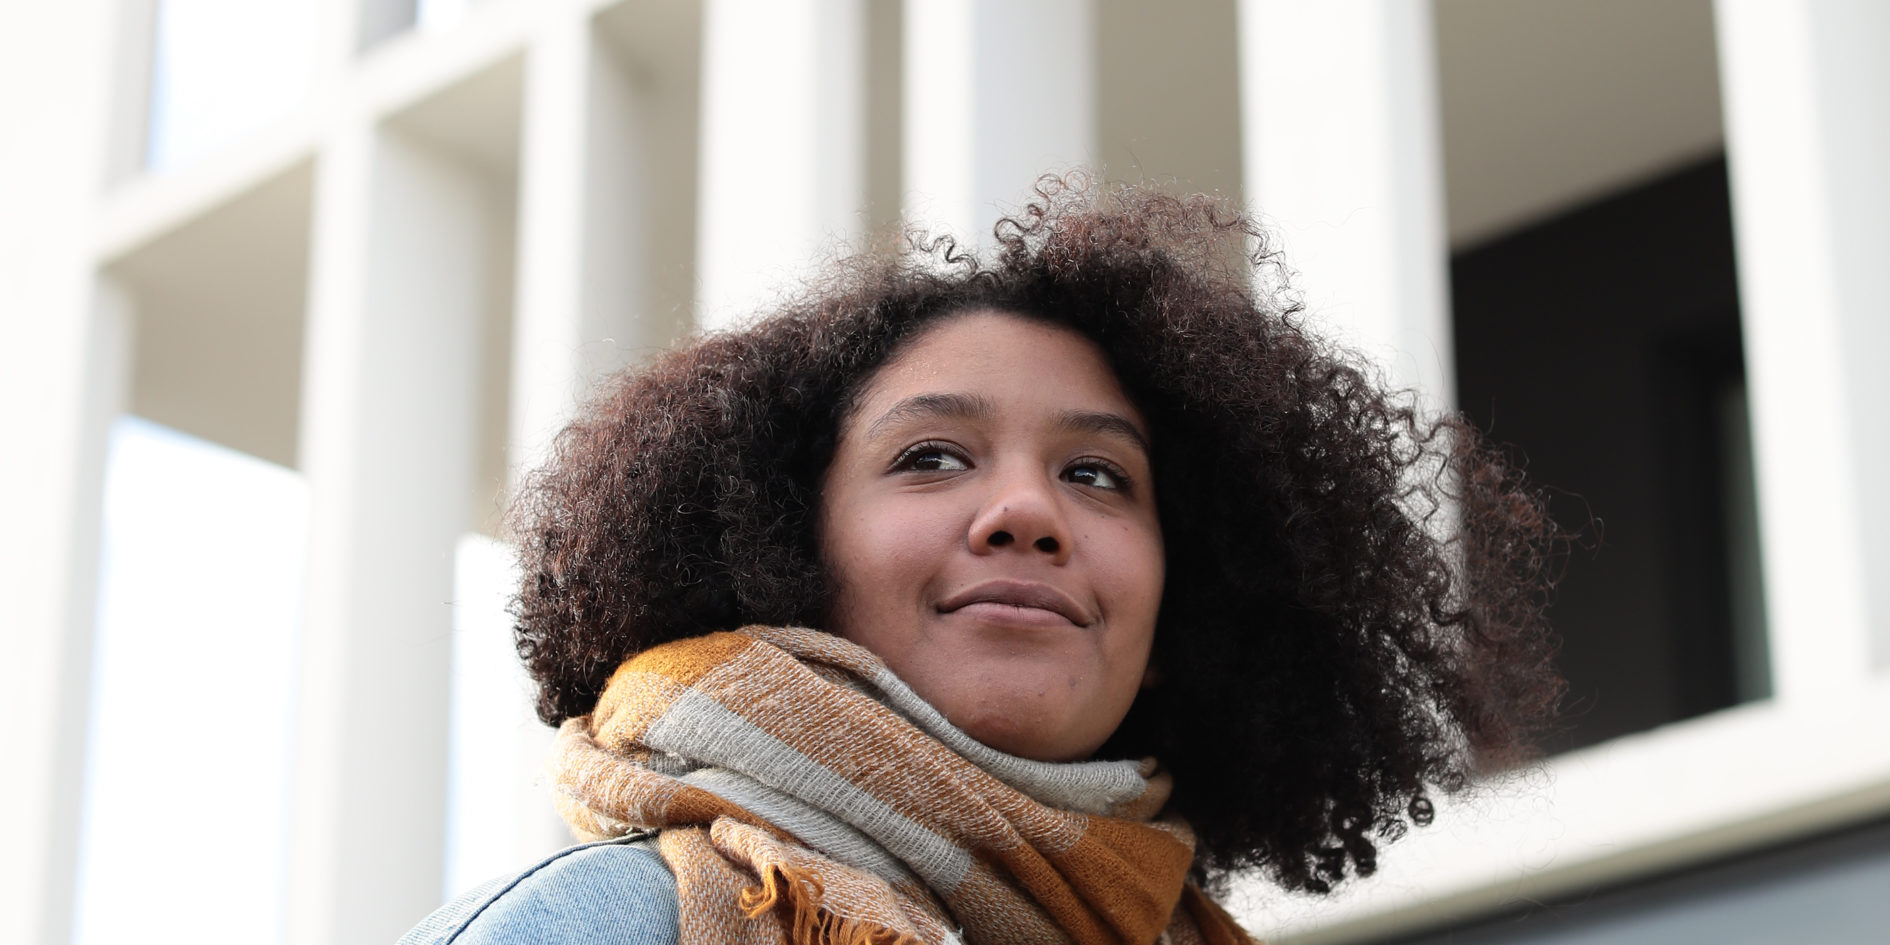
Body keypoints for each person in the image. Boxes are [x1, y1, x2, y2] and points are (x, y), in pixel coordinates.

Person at [400, 177, 1565, 944]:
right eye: (933, 457)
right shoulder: (606, 929)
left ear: (1184, 614)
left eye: (1099, 475)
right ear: (783, 552)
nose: (1025, 511)